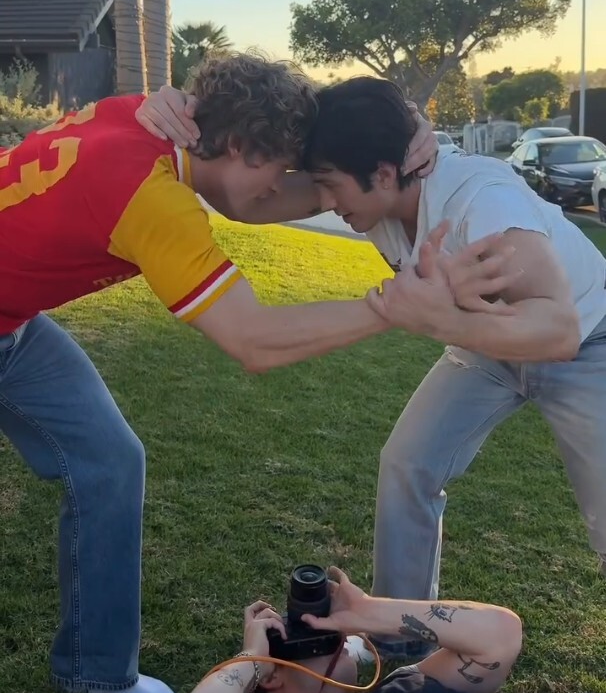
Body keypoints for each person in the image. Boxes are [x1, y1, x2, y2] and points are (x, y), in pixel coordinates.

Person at [0, 55, 505, 693]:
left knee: (109, 463)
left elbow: (263, 195)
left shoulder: (147, 121)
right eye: (281, 171)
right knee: (108, 462)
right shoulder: (153, 199)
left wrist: (390, 143)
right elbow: (253, 340)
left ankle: (95, 673)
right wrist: (394, 306)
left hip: (13, 324)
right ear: (239, 145)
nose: (283, 189)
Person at [139, 75, 606, 662]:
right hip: (488, 350)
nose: (326, 201)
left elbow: (558, 331)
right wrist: (179, 117)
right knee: (408, 464)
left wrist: (440, 321)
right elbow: (243, 202)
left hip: (589, 342)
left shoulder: (482, 202)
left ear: (384, 173)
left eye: (331, 186)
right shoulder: (375, 185)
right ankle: (399, 645)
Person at [167, 566, 606, 693]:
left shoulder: (402, 686)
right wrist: (253, 658)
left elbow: (500, 636)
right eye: (291, 636)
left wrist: (368, 611)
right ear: (272, 677)